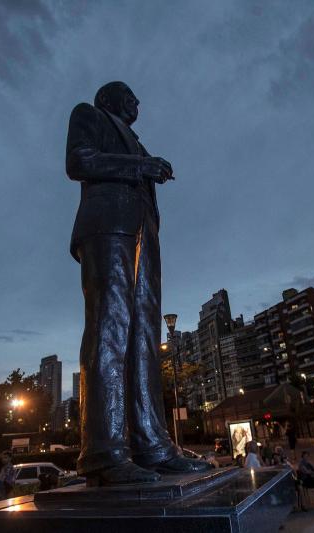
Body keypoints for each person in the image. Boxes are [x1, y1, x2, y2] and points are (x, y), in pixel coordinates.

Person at [66, 81, 209, 485]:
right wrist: (140, 167)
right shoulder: (88, 114)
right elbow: (79, 162)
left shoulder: (137, 142)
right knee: (109, 328)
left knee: (145, 336)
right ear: (109, 98)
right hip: (108, 226)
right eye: (129, 95)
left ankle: (152, 446)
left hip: (143, 233)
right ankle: (104, 452)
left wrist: (144, 167)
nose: (138, 102)